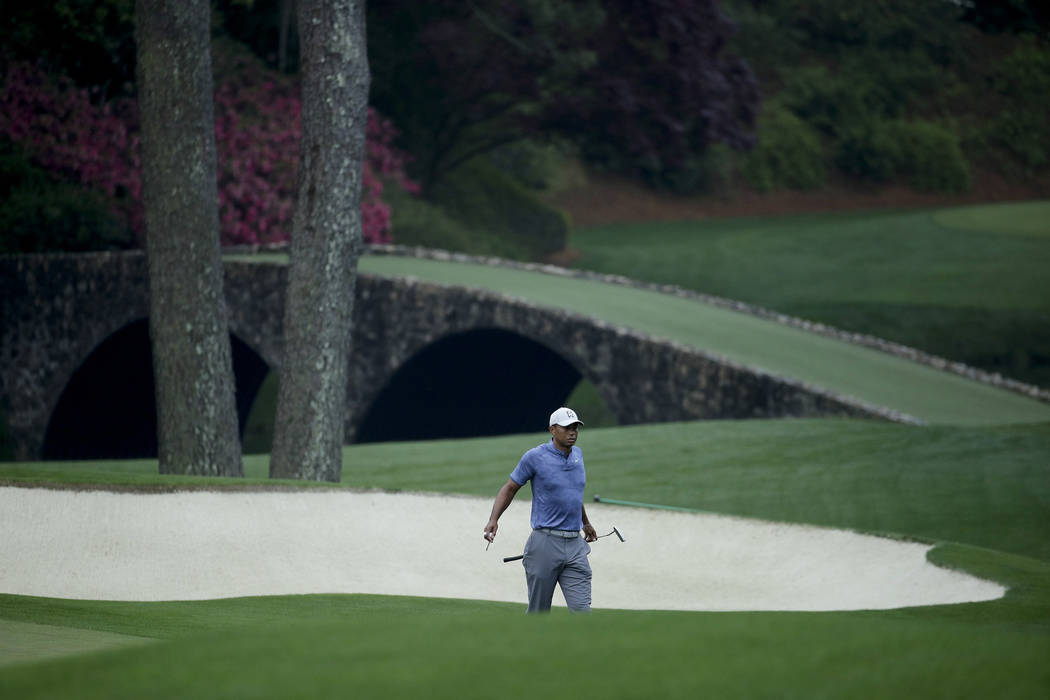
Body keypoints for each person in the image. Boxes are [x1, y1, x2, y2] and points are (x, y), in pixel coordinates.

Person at [483, 406, 598, 613]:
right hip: (545, 542)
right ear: (552, 430)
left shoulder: (578, 455)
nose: (573, 432)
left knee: (582, 611)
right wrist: (494, 519)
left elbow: (573, 494)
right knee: (539, 612)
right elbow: (510, 488)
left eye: (575, 427)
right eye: (567, 428)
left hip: (575, 545)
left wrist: (586, 522)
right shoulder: (534, 457)